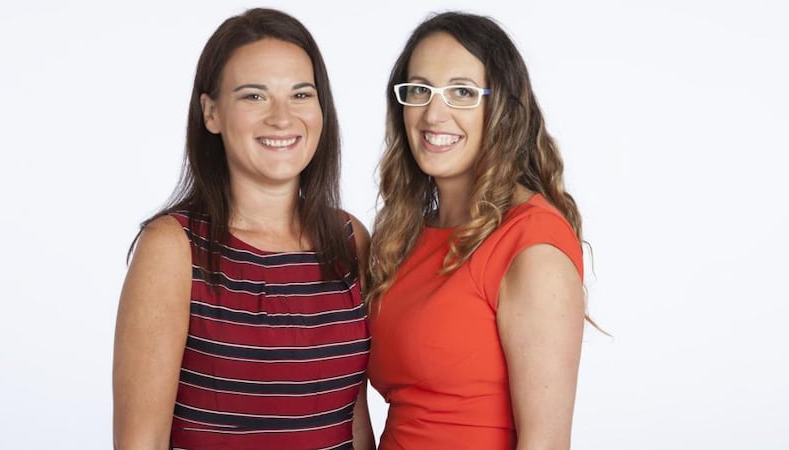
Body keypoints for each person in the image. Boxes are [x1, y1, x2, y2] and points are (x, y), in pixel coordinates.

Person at [112, 8, 374, 450]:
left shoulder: (349, 238)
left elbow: (354, 420)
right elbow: (142, 441)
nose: (282, 118)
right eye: (254, 96)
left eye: (301, 94)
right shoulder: (172, 249)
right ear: (211, 113)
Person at [367, 11, 587, 450]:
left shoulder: (531, 244)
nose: (434, 113)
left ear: (501, 109)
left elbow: (545, 443)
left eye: (462, 92)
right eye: (420, 90)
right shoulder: (405, 238)